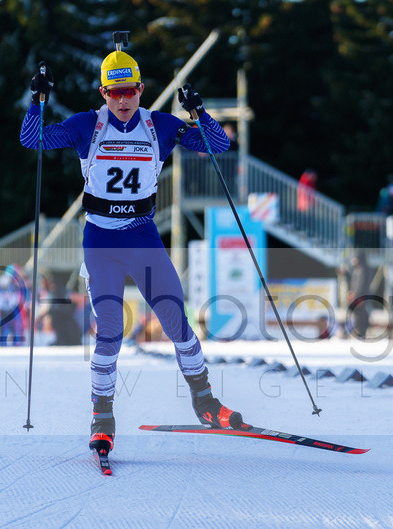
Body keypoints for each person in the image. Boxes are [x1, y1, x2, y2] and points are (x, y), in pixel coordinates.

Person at [21, 43, 244, 458]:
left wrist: (198, 111)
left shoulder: (160, 126)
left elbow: (218, 145)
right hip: (101, 242)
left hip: (142, 238)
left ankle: (205, 402)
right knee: (110, 330)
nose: (123, 101)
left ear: (141, 89)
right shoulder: (87, 125)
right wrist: (38, 100)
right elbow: (31, 138)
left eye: (130, 91)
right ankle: (102, 419)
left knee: (176, 320)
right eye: (114, 93)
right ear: (103, 93)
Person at [343, 252, 372, 339]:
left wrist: (357, 295)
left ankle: (361, 332)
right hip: (357, 296)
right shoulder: (357, 270)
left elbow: (362, 284)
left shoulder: (363, 270)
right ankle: (357, 331)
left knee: (361, 315)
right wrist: (345, 274)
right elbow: (352, 282)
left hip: (361, 297)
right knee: (356, 314)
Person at [0, 269, 24, 346]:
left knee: (14, 328)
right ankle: (2, 345)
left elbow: (15, 299)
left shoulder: (14, 286)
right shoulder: (2, 286)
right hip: (4, 310)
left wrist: (10, 305)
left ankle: (15, 344)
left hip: (11, 310)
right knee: (3, 330)